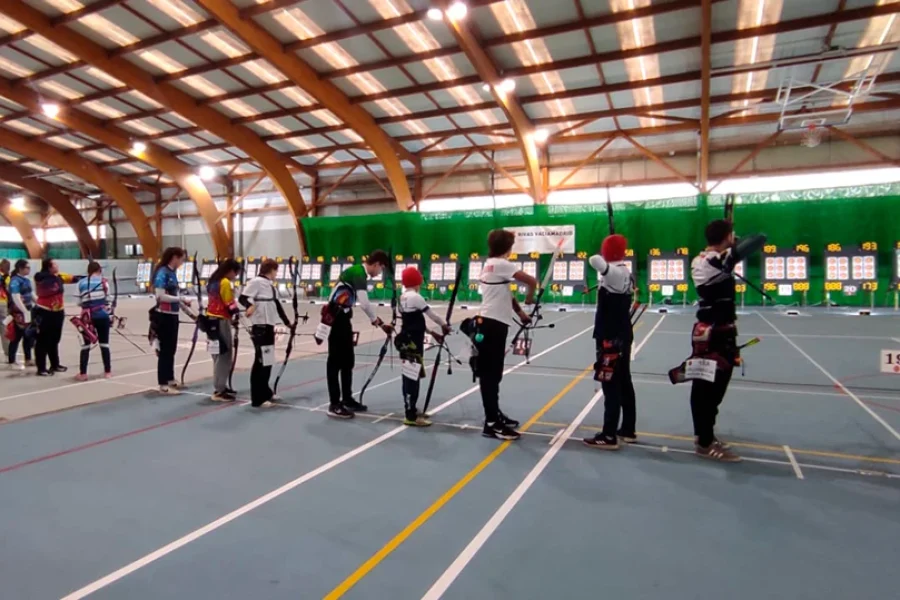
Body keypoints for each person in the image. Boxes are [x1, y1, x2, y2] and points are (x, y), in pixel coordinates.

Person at [681, 219, 765, 462]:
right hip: (714, 335)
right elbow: (760, 238)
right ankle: (704, 442)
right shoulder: (711, 262)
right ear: (727, 237)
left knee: (710, 389)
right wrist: (734, 242)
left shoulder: (709, 260)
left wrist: (730, 240)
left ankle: (705, 435)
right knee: (708, 389)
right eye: (731, 234)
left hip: (718, 332)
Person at [473, 229, 537, 441]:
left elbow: (505, 293)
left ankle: (494, 414)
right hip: (492, 325)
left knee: (493, 374)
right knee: (490, 375)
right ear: (507, 247)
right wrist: (530, 299)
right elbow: (532, 281)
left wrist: (521, 313)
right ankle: (492, 423)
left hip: (489, 323)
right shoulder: (503, 264)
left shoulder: (490, 264)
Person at [319, 251, 392, 420]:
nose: (379, 273)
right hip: (336, 320)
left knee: (347, 361)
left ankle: (347, 398)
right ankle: (334, 404)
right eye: (381, 269)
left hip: (343, 318)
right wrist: (379, 322)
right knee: (335, 362)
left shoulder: (358, 273)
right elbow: (364, 303)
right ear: (376, 264)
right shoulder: (358, 272)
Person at [583, 234, 637, 451]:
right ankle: (628, 429)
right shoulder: (625, 272)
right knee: (624, 381)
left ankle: (609, 435)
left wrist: (608, 252)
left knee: (611, 383)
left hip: (610, 337)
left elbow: (594, 259)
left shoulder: (614, 272)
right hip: (622, 334)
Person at [395, 266, 451, 427]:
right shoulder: (416, 297)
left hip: (406, 341)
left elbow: (413, 322)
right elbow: (432, 315)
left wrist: (432, 333)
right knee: (412, 377)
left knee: (409, 376)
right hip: (413, 343)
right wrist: (444, 325)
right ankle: (411, 415)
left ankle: (411, 408)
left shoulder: (402, 297)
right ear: (416, 282)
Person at [239, 258, 292, 408]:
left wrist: (288, 323)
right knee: (260, 361)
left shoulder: (270, 285)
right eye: (276, 271)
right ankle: (257, 398)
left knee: (268, 360)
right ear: (272, 270)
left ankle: (266, 392)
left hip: (269, 326)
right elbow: (243, 298)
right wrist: (249, 305)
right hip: (260, 326)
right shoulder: (256, 282)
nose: (276, 274)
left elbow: (277, 305)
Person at [33, 259, 85, 376]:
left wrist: (89, 277)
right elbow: (50, 289)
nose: (57, 265)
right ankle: (41, 368)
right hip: (45, 311)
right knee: (42, 341)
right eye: (55, 264)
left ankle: (55, 364)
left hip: (58, 312)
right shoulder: (41, 278)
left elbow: (74, 278)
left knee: (54, 339)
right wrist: (58, 279)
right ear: (49, 267)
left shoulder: (58, 276)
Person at [151, 248, 193, 394]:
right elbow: (160, 296)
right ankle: (163, 384)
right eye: (181, 259)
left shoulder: (172, 273)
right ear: (174, 257)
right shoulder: (162, 272)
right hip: (164, 315)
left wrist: (191, 314)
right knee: (165, 350)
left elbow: (176, 296)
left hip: (173, 315)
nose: (182, 262)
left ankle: (170, 379)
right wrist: (180, 299)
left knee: (171, 349)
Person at [206, 259, 242, 401]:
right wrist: (237, 314)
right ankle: (219, 390)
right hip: (221, 320)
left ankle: (220, 385)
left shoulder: (213, 281)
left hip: (210, 321)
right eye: (235, 273)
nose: (235, 276)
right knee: (224, 355)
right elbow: (229, 303)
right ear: (230, 270)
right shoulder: (225, 282)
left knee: (217, 354)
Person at [74, 261, 112, 381]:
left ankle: (83, 374)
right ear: (99, 270)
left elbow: (78, 302)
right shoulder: (104, 282)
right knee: (104, 344)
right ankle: (108, 372)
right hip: (102, 315)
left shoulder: (81, 283)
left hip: (87, 318)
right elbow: (108, 299)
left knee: (86, 345)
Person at [7, 259, 34, 370]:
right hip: (19, 312)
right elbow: (16, 297)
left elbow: (31, 294)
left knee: (28, 335)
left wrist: (40, 304)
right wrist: (24, 311)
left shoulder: (27, 280)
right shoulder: (15, 281)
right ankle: (12, 360)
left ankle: (28, 358)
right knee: (16, 337)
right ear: (20, 269)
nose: (29, 269)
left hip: (28, 310)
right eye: (27, 267)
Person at [0, 259, 10, 359]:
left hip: (2, 303)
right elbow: (9, 290)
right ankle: (8, 352)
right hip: (2, 303)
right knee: (4, 327)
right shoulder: (7, 277)